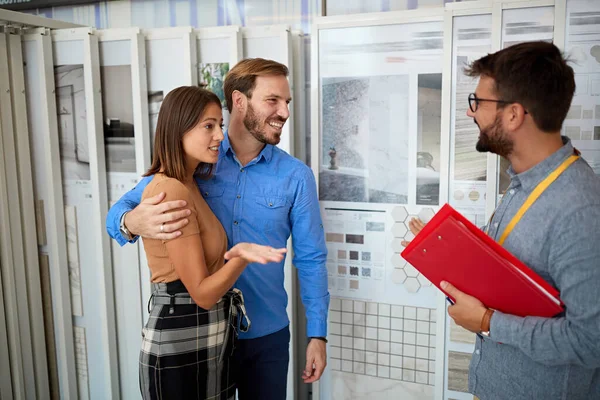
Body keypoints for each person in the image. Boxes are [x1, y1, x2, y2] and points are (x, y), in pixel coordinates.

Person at [107, 58, 329, 399]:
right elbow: (119, 212)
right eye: (273, 100)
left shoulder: (296, 177)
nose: (284, 112)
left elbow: (311, 259)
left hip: (265, 337)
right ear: (239, 101)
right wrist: (131, 221)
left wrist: (317, 335)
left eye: (287, 102)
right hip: (202, 333)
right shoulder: (195, 158)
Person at [409, 42, 600, 399]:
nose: (471, 114)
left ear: (513, 115)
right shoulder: (524, 183)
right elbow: (517, 267)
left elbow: (590, 341)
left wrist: (486, 323)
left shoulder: (579, 209)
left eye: (478, 103)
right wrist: (446, 251)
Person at [136, 86, 287, 400]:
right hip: (182, 337)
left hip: (206, 333)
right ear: (178, 129)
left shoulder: (192, 181)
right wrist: (241, 257)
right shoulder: (171, 190)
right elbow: (203, 294)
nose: (219, 135)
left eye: (219, 124)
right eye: (208, 126)